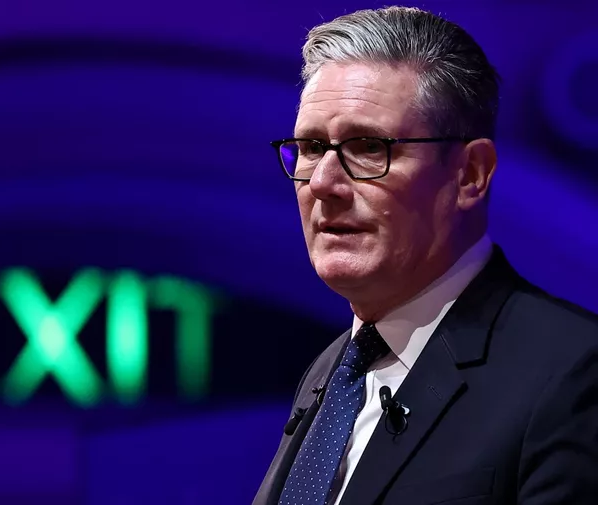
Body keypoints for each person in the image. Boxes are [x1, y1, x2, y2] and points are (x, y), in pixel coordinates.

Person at [253, 6, 598, 505]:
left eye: (368, 147)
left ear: (470, 174)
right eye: (309, 148)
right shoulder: (331, 370)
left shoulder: (573, 373)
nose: (324, 183)